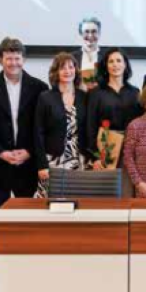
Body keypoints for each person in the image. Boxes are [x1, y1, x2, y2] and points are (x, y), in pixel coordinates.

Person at [0, 37, 49, 270]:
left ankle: (24, 254)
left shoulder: (39, 88)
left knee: (27, 210)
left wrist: (28, 152)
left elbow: (41, 127)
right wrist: (0, 152)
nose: (13, 63)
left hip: (27, 161)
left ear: (23, 59)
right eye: (8, 58)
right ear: (0, 60)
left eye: (17, 58)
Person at [33, 52, 90, 198]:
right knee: (49, 201)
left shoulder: (84, 97)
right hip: (53, 160)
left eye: (71, 67)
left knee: (78, 199)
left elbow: (89, 129)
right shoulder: (45, 97)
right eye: (62, 68)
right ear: (56, 72)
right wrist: (42, 165)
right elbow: (38, 133)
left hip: (79, 159)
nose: (67, 71)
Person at [86, 47, 142, 170]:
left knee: (128, 181)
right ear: (106, 66)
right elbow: (90, 126)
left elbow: (141, 124)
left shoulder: (135, 92)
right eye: (111, 61)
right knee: (108, 182)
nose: (115, 65)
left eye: (118, 60)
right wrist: (95, 156)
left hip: (131, 148)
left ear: (125, 64)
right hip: (105, 147)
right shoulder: (96, 93)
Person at [72, 17, 102, 91]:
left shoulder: (107, 57)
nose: (90, 35)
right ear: (81, 34)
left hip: (101, 97)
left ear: (99, 33)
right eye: (86, 31)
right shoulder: (72, 57)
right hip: (78, 96)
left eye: (94, 31)